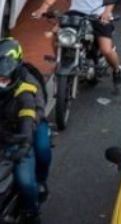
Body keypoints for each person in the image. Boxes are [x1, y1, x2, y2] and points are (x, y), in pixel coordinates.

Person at [0, 39, 50, 224]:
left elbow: (31, 114)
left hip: (20, 136)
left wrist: (25, 141)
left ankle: (32, 212)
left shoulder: (26, 88)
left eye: (3, 80)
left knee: (28, 181)